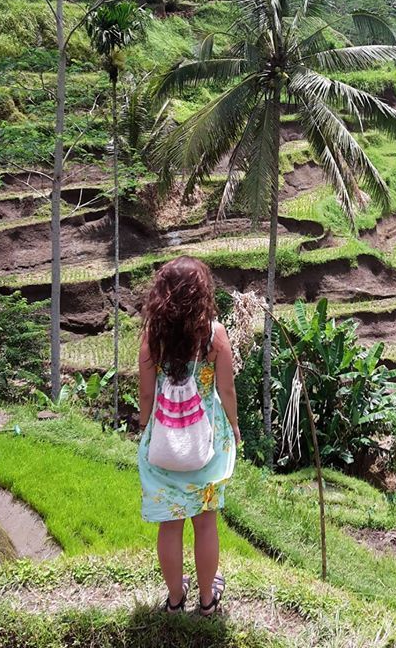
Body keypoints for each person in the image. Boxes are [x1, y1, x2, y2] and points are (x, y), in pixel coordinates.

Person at [137, 256, 240, 615]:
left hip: (163, 445)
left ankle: (175, 600)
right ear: (202, 294)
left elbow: (147, 395)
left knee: (170, 523)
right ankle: (207, 601)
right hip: (206, 446)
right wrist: (235, 425)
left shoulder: (153, 337)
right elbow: (226, 390)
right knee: (206, 521)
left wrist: (145, 426)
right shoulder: (214, 335)